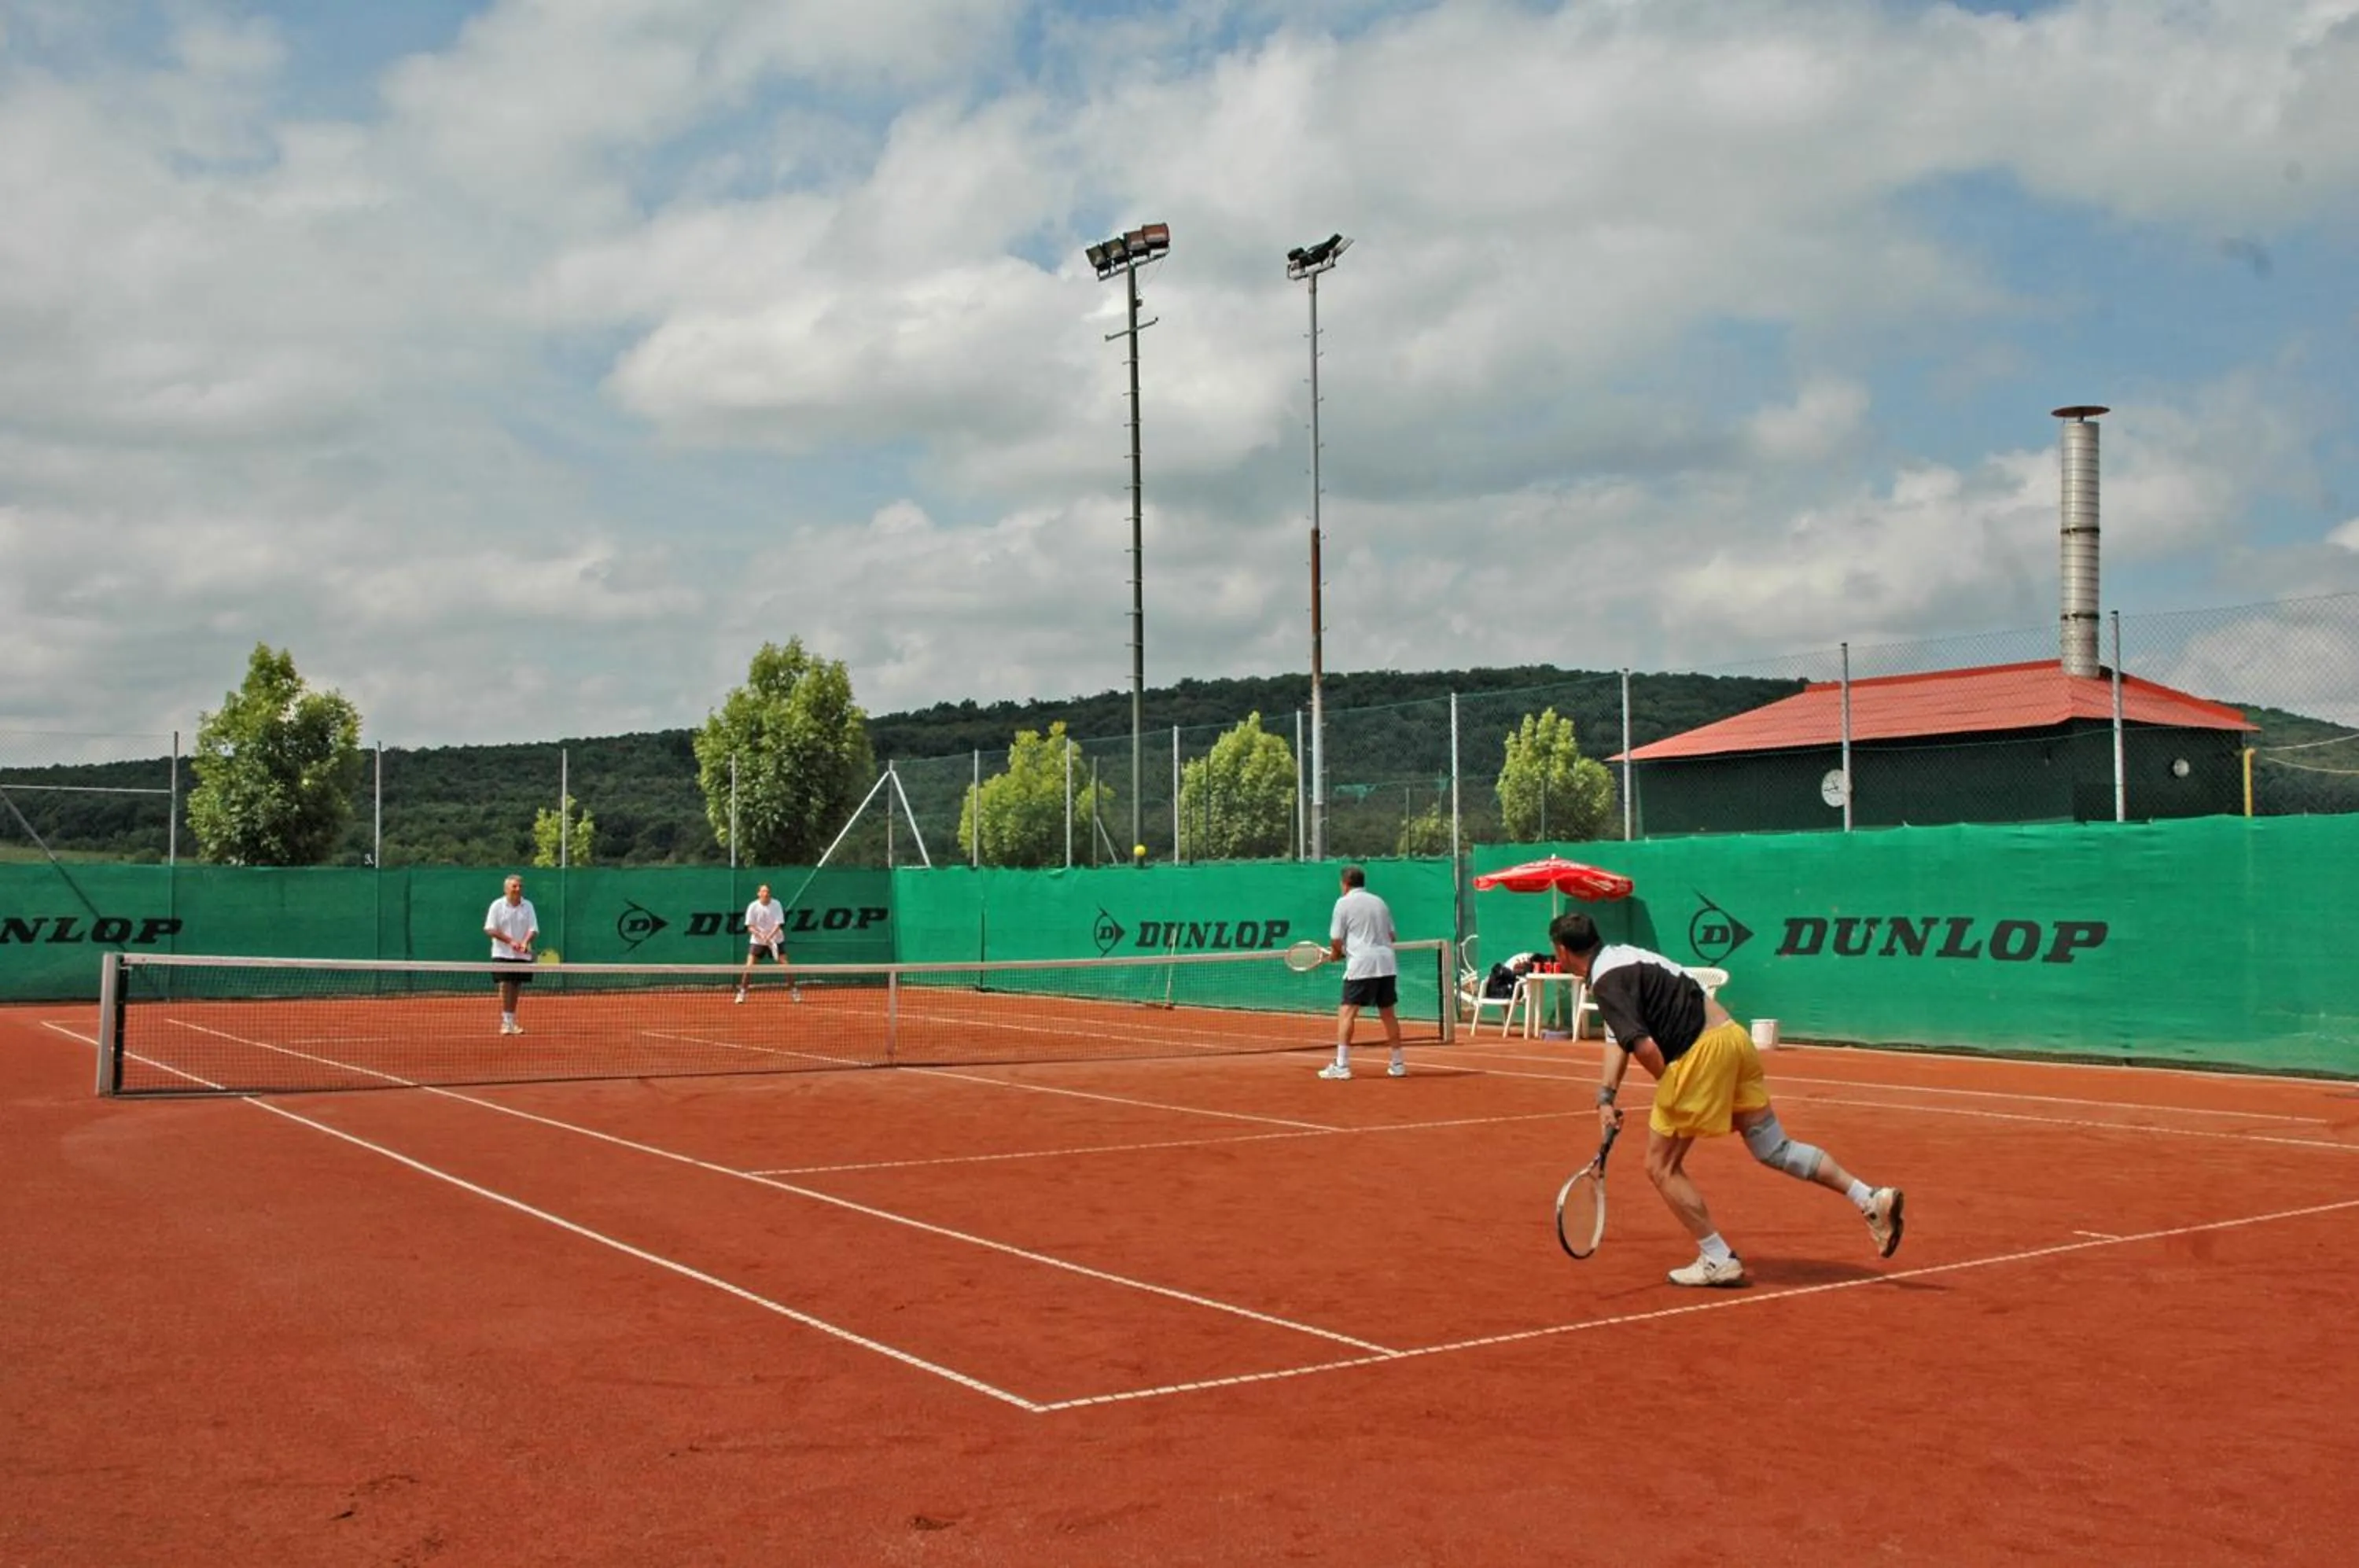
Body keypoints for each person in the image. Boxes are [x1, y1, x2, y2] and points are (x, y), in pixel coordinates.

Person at [1548, 911, 1904, 1287]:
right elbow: (1616, 1038)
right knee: (1774, 1148)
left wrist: (1674, 1089)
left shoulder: (1605, 982)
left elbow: (1644, 1045)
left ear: (1561, 951)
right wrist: (1607, 1096)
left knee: (1660, 1166)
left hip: (1699, 1056)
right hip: (1733, 1042)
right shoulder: (1624, 957)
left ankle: (1717, 1257)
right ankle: (1870, 1198)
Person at [1319, 865, 1407, 1080]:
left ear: (1345, 884)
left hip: (1362, 965)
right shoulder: (1380, 902)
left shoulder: (1343, 903)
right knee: (1388, 1014)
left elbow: (1336, 939)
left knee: (1347, 1012)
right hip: (1386, 964)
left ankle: (1342, 1065)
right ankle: (1398, 1064)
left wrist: (1336, 953)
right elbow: (1392, 936)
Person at [484, 873, 539, 1036]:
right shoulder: (497, 906)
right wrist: (511, 941)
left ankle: (511, 1020)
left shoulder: (528, 905)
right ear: (506, 888)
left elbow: (533, 929)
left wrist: (524, 942)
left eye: (520, 886)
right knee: (505, 984)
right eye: (514, 886)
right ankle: (506, 1021)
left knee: (515, 986)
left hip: (521, 955)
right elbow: (490, 929)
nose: (518, 889)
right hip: (501, 952)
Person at [735, 883, 799, 1003]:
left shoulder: (776, 904)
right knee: (749, 968)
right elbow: (750, 926)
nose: (766, 894)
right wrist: (761, 935)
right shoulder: (753, 906)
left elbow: (779, 924)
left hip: (776, 940)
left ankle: (794, 991)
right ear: (758, 893)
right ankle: (742, 993)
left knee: (787, 967)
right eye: (763, 891)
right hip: (758, 941)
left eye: (768, 891)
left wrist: (769, 937)